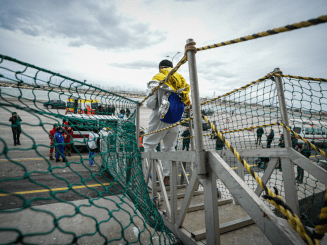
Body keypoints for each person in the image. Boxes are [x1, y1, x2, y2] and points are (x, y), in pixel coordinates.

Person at [143, 59, 191, 186]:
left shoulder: (158, 78)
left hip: (160, 117)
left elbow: (151, 104)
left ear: (160, 67)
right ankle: (167, 177)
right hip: (175, 119)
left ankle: (150, 181)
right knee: (169, 147)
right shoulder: (181, 80)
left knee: (149, 145)